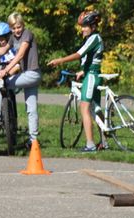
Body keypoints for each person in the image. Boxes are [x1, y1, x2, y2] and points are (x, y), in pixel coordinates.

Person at [47, 10, 103, 152]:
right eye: (82, 26)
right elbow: (93, 60)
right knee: (96, 109)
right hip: (91, 74)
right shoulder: (94, 38)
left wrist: (60, 60)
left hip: (91, 77)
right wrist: (82, 71)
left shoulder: (94, 38)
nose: (82, 29)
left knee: (84, 108)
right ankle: (105, 141)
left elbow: (79, 54)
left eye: (85, 26)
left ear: (93, 26)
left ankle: (90, 144)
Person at [0, 12, 40, 146]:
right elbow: (3, 50)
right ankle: (33, 142)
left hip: (32, 74)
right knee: (31, 109)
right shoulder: (12, 38)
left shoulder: (27, 34)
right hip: (28, 76)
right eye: (13, 28)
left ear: (23, 25)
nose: (16, 30)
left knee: (0, 83)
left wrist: (6, 70)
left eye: (18, 27)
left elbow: (20, 55)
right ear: (10, 28)